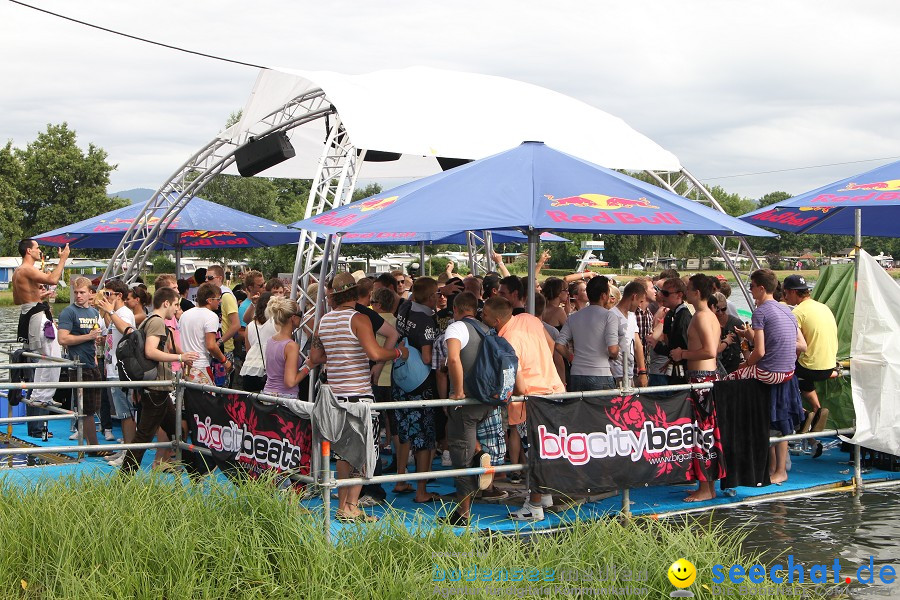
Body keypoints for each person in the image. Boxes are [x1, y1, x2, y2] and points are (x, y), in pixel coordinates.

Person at [309, 273, 409, 522]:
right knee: (363, 453)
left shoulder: (324, 320)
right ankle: (350, 506)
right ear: (355, 293)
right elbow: (374, 352)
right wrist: (399, 352)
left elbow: (316, 356)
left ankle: (345, 506)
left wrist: (338, 355)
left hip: (335, 394)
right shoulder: (360, 318)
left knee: (343, 454)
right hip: (358, 395)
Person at [482, 297, 565, 522]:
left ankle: (534, 505)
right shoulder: (529, 319)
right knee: (546, 450)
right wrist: (542, 365)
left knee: (534, 454)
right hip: (553, 390)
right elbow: (550, 344)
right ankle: (544, 494)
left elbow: (516, 375)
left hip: (530, 400)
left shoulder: (505, 339)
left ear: (496, 320)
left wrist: (520, 390)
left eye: (485, 314)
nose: (482, 317)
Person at [729, 269, 807, 485]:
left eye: (752, 286)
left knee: (729, 380)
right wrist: (750, 337)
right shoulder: (788, 312)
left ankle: (757, 460)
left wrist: (746, 364)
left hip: (770, 373)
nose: (750, 290)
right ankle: (776, 468)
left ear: (761, 288)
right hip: (788, 373)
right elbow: (787, 343)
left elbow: (760, 351)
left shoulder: (760, 313)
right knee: (779, 423)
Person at [121, 287, 199, 474]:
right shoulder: (156, 322)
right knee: (144, 436)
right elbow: (151, 351)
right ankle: (124, 478)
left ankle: (197, 471)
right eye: (175, 304)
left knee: (176, 432)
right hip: (156, 387)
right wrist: (180, 358)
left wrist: (182, 356)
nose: (177, 309)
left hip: (157, 387)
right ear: (166, 303)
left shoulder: (149, 320)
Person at [669, 274, 725, 502]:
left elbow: (710, 351)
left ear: (697, 293)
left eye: (689, 289)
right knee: (706, 433)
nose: (686, 292)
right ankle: (708, 486)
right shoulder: (709, 316)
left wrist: (682, 354)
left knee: (702, 434)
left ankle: (705, 487)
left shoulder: (702, 317)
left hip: (702, 379)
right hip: (706, 378)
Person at [441, 292, 495, 526]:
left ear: (456, 308)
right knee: (470, 444)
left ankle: (463, 514)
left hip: (466, 403)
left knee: (460, 457)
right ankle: (481, 456)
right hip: (487, 400)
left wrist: (458, 391)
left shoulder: (456, 328)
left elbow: (453, 359)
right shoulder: (487, 329)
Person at [12, 240, 69, 436]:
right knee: (52, 356)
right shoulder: (26, 269)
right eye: (37, 248)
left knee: (47, 357)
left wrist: (37, 297)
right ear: (29, 250)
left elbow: (18, 299)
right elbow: (53, 279)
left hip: (32, 313)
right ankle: (42, 395)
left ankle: (41, 395)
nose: (39, 251)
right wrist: (63, 259)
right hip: (36, 316)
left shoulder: (19, 272)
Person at [392, 276, 441, 503]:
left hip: (400, 376)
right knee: (423, 436)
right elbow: (427, 356)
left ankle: (401, 477)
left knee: (404, 431)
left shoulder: (405, 308)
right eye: (437, 294)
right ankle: (422, 490)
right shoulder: (426, 321)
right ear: (431, 297)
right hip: (420, 383)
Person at [783, 274, 838, 454]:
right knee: (802, 376)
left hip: (810, 368)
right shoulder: (823, 307)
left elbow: (795, 345)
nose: (785, 297)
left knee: (783, 376)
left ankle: (802, 413)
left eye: (785, 293)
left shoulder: (798, 313)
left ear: (792, 292)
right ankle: (817, 408)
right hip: (828, 365)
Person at [95, 278, 137, 466]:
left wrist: (110, 312)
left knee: (126, 413)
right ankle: (125, 450)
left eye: (108, 294)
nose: (105, 297)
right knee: (121, 413)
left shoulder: (124, 313)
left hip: (121, 371)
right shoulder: (116, 313)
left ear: (119, 296)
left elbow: (128, 331)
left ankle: (129, 455)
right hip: (112, 368)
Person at [57, 277, 103, 448]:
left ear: (91, 293)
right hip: (77, 365)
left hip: (92, 363)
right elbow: (62, 339)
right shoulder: (69, 312)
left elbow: (93, 337)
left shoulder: (94, 312)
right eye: (76, 292)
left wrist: (95, 342)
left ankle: (92, 443)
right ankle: (93, 446)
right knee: (86, 408)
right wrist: (88, 337)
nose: (78, 296)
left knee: (94, 406)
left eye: (82, 292)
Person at [555, 276, 619, 393]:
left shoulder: (574, 317)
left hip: (577, 373)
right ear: (604, 296)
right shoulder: (609, 316)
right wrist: (616, 355)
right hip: (601, 373)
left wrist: (571, 358)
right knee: (601, 411)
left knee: (579, 411)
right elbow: (613, 350)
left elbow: (559, 345)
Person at [179, 282, 232, 385]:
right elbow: (211, 345)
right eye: (218, 299)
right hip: (200, 366)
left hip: (184, 365)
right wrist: (225, 361)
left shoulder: (185, 314)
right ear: (209, 300)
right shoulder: (211, 316)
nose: (220, 301)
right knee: (207, 398)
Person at [653, 277, 692, 384]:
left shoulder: (684, 316)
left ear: (679, 295)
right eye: (661, 292)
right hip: (675, 368)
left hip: (683, 371)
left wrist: (657, 346)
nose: (661, 296)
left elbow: (686, 346)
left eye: (665, 293)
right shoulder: (670, 314)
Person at [610, 281, 648, 387]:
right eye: (640, 301)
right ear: (634, 296)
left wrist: (642, 371)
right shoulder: (611, 315)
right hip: (614, 374)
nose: (640, 305)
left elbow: (637, 344)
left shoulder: (632, 316)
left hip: (629, 373)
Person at [207, 265, 240, 383]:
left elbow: (236, 324)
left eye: (210, 277)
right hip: (212, 348)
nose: (207, 281)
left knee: (223, 389)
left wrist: (220, 341)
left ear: (219, 278)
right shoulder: (211, 296)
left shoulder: (226, 296)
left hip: (224, 349)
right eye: (206, 278)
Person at [239, 292, 275, 393]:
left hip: (249, 369)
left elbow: (248, 350)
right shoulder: (276, 324)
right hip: (267, 371)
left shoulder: (250, 326)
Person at [711, 292, 743, 375]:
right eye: (717, 309)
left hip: (734, 364)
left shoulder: (736, 322)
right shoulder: (709, 323)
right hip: (717, 365)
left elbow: (745, 344)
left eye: (723, 309)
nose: (720, 313)